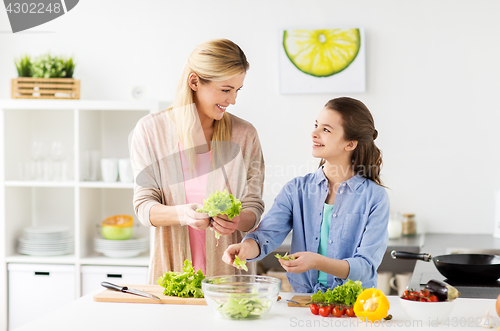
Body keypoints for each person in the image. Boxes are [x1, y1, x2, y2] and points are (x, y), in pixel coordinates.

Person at [130, 39, 265, 283]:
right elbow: (143, 207)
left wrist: (236, 221)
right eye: (226, 89)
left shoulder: (244, 135)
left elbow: (253, 206)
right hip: (170, 279)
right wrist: (183, 214)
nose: (233, 99)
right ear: (194, 82)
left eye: (237, 90)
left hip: (228, 281)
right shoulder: (151, 131)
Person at [223, 97, 389, 293]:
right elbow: (266, 235)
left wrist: (317, 262)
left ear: (350, 144)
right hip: (304, 303)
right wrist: (246, 248)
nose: (314, 133)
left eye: (326, 130)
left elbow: (366, 266)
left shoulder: (374, 197)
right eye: (316, 125)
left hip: (356, 306)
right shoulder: (296, 190)